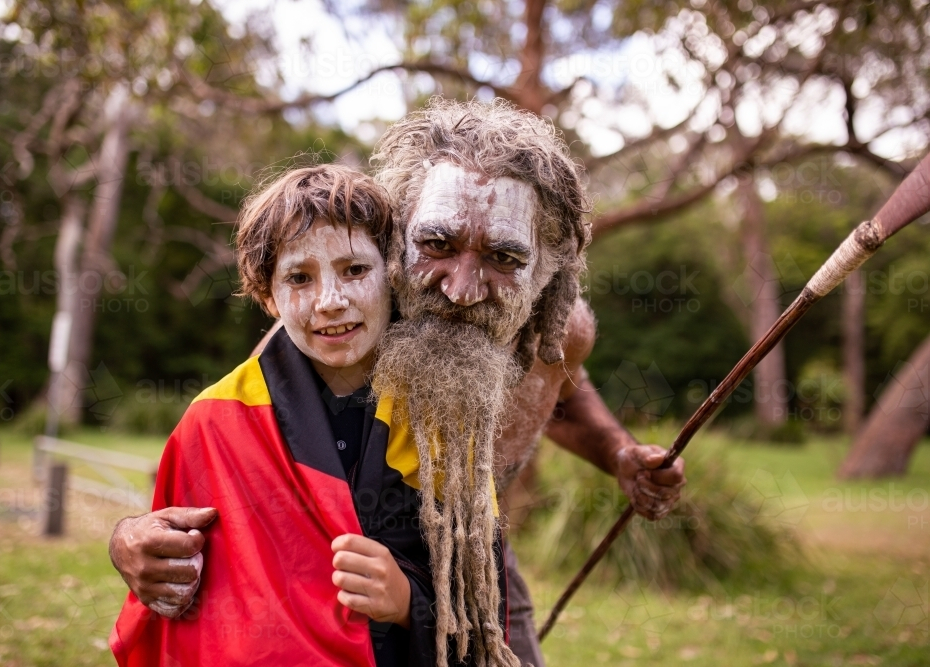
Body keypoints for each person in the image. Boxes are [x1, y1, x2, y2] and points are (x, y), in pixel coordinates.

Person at [109, 99, 687, 667]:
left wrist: (620, 455)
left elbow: (559, 392)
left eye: (503, 257)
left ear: (546, 268)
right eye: (436, 244)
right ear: (396, 233)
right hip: (352, 574)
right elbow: (239, 446)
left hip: (476, 562)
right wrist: (130, 539)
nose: (461, 290)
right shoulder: (344, 320)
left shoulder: (558, 330)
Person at [110, 164, 510, 666]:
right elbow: (167, 580)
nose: (331, 302)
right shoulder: (214, 420)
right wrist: (126, 541)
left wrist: (410, 604)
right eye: (299, 278)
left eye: (355, 270)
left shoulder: (443, 416)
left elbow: (485, 616)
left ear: (394, 273)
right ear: (266, 295)